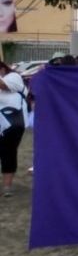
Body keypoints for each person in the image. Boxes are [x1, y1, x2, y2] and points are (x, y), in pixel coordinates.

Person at [0, 60, 27, 197]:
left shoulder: (13, 77)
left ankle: (7, 187)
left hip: (13, 122)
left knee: (8, 152)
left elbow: (3, 86)